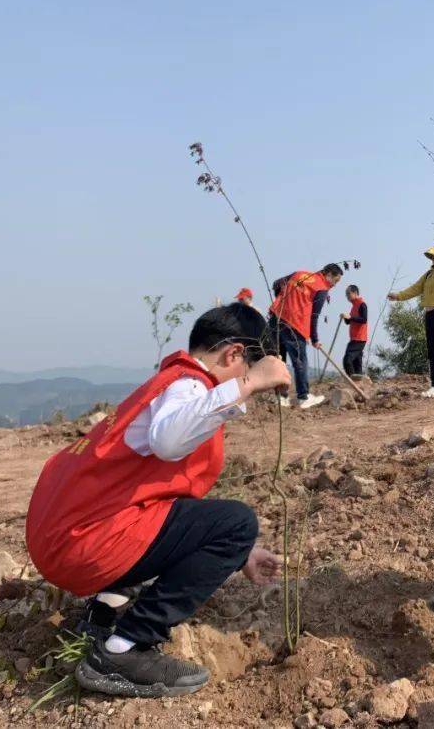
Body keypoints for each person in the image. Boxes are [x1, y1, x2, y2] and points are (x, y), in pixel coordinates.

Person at [25, 304, 290, 697]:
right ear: (234, 354)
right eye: (244, 364)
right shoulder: (189, 385)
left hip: (67, 539)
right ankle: (125, 648)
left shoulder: (170, 383)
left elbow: (171, 508)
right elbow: (168, 441)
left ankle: (104, 612)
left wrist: (241, 554)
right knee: (238, 522)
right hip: (84, 545)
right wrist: (250, 382)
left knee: (229, 533)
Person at [388, 241, 434, 399]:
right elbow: (416, 288)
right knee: (433, 351)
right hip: (430, 314)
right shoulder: (429, 274)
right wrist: (399, 296)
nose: (433, 258)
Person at [268, 263, 344, 409]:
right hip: (294, 324)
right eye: (335, 280)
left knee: (279, 360)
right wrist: (315, 339)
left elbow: (276, 284)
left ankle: (281, 397)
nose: (334, 285)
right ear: (327, 274)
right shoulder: (321, 288)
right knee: (300, 361)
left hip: (276, 319)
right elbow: (314, 316)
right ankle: (303, 397)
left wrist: (284, 300)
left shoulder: (299, 274)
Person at [340, 284, 368, 377]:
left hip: (359, 339)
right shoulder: (353, 306)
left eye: (348, 293)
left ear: (355, 293)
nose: (347, 296)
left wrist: (350, 317)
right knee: (357, 364)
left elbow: (364, 320)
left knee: (347, 360)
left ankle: (353, 381)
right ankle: (360, 384)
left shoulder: (362, 305)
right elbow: (349, 322)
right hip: (354, 338)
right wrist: (345, 317)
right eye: (346, 294)